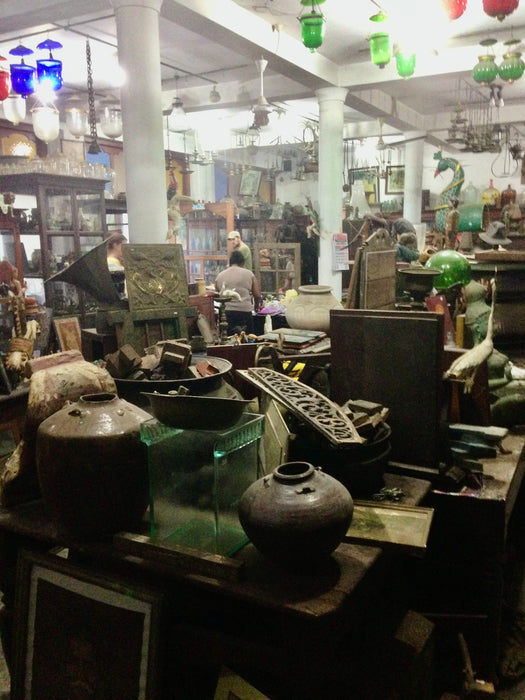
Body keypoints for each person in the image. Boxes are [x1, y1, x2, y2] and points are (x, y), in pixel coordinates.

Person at [215, 249, 261, 335]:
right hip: (244, 312)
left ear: (230, 262)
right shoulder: (249, 274)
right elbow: (257, 295)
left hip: (226, 313)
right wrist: (256, 306)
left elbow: (217, 293)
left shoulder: (220, 276)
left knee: (227, 339)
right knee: (247, 339)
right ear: (242, 262)